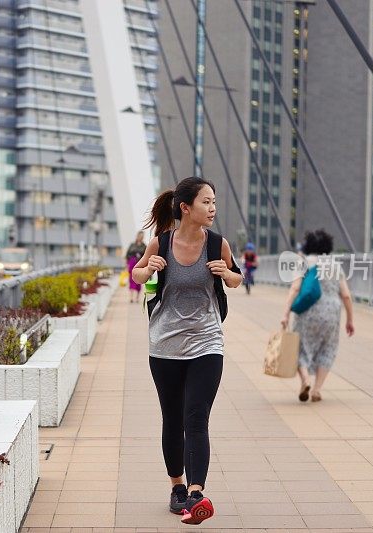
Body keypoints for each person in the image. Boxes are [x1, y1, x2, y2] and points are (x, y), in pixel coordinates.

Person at [131, 176, 242, 525]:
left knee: (196, 416)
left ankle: (196, 493)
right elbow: (137, 275)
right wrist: (148, 268)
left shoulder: (218, 244)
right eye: (206, 202)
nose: (212, 208)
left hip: (207, 343)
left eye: (214, 201)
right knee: (173, 417)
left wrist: (227, 274)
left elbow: (238, 278)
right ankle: (177, 486)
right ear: (186, 208)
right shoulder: (161, 243)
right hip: (164, 345)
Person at [280, 229, 355, 403]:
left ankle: (305, 379)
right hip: (332, 313)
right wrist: (350, 320)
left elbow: (295, 289)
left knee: (300, 346)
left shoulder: (304, 263)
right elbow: (346, 295)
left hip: (308, 312)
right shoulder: (335, 265)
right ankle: (317, 390)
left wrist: (285, 313)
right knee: (327, 349)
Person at [125, 231, 147, 302]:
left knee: (138, 281)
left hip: (140, 264)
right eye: (140, 236)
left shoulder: (144, 246)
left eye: (142, 236)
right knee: (131, 280)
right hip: (132, 264)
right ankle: (131, 297)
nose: (140, 237)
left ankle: (137, 297)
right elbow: (127, 255)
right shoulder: (132, 245)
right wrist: (127, 264)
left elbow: (146, 256)